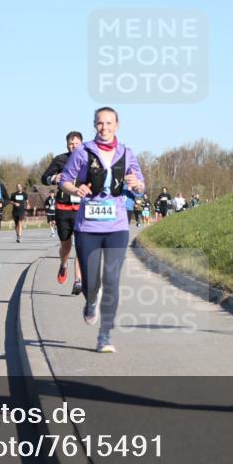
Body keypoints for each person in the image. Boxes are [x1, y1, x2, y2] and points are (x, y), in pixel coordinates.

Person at [61, 107, 145, 354]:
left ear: (117, 125)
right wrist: (75, 189)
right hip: (87, 227)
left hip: (117, 226)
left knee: (112, 280)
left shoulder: (127, 153)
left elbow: (141, 187)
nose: (104, 127)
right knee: (91, 283)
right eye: (100, 123)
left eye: (109, 123)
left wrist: (136, 184)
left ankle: (104, 336)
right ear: (94, 125)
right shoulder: (82, 152)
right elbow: (65, 180)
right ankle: (90, 301)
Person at [41, 131, 85, 294]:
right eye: (71, 144)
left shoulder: (88, 159)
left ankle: (78, 280)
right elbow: (44, 177)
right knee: (66, 246)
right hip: (63, 209)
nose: (74, 146)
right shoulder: (60, 159)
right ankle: (63, 264)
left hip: (81, 209)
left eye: (77, 143)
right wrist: (53, 178)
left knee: (81, 245)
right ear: (67, 145)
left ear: (82, 144)